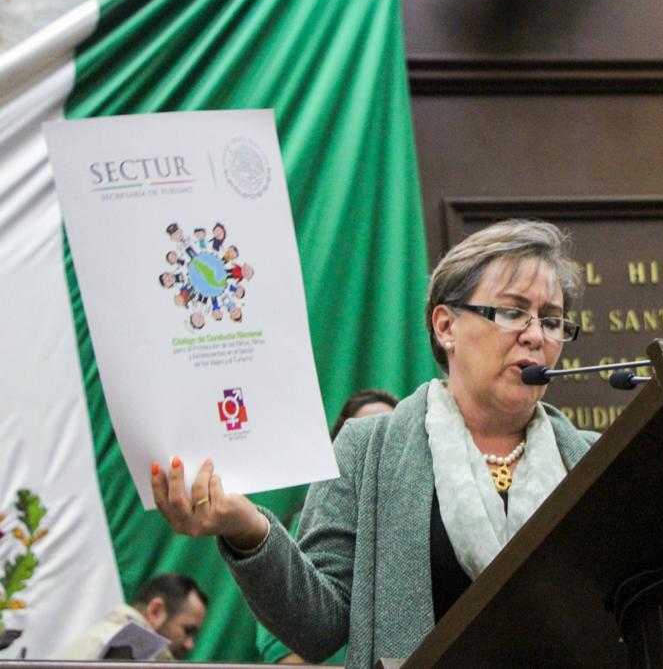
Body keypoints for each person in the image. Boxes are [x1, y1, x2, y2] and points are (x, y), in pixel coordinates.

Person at [151, 219, 597, 669]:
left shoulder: (594, 462)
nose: (536, 335)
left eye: (552, 320)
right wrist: (248, 530)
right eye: (512, 312)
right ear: (446, 326)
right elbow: (317, 628)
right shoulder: (367, 449)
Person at [256, 388, 399, 665]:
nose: (377, 449)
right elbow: (285, 646)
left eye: (389, 437)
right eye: (366, 440)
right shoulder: (304, 527)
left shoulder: (419, 522)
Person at [51, 573, 207, 660]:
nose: (189, 645)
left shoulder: (96, 642)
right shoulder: (110, 651)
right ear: (155, 611)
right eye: (188, 631)